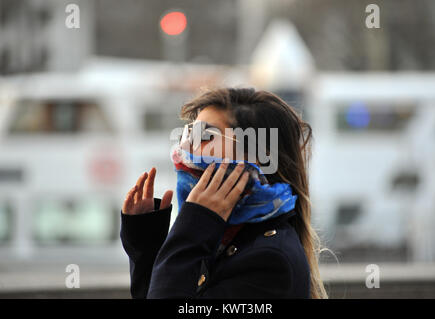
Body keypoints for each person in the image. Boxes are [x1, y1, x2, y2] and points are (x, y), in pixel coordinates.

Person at [120, 87, 328, 299]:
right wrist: (147, 249)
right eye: (188, 133)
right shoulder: (221, 236)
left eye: (205, 136)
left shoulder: (269, 260)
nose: (184, 147)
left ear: (259, 158)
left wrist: (191, 230)